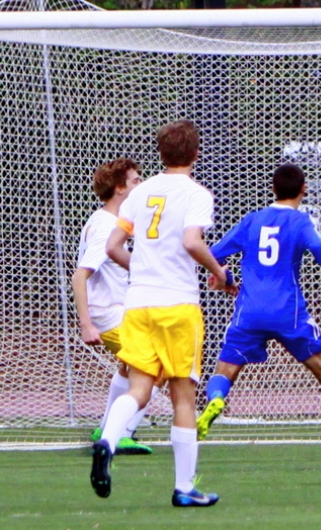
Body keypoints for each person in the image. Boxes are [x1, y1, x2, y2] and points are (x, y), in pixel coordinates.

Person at [196, 163, 321, 460]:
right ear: (304, 189)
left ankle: (217, 399)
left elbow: (213, 254)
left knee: (225, 370)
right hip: (289, 312)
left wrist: (226, 279)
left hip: (249, 312)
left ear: (273, 188)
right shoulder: (300, 222)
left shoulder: (252, 220)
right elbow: (320, 249)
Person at [90, 120, 230, 507]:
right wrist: (219, 272)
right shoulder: (197, 193)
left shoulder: (142, 191)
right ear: (196, 153)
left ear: (161, 153)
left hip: (137, 304)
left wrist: (142, 269)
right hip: (177, 304)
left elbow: (115, 247)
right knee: (183, 397)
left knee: (139, 389)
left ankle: (107, 439)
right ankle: (185, 488)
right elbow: (191, 241)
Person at [72, 158, 155, 456]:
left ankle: (106, 427)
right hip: (108, 315)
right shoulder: (106, 226)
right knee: (153, 365)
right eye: (135, 180)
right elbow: (80, 275)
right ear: (119, 188)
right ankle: (120, 433)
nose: (140, 184)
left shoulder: (110, 221)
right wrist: (86, 323)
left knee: (128, 366)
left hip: (120, 311)